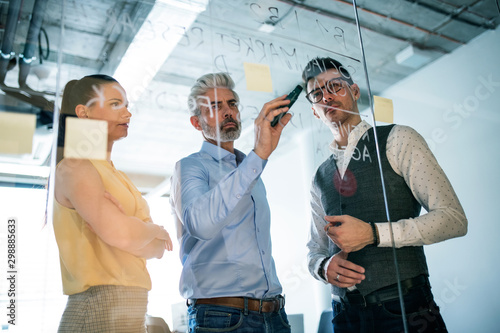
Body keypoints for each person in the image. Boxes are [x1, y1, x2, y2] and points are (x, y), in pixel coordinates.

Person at [303, 57, 467, 332]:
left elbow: (453, 219)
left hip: (404, 308)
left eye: (335, 86)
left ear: (354, 91)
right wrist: (323, 267)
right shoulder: (319, 175)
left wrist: (374, 233)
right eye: (317, 93)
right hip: (345, 317)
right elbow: (314, 249)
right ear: (315, 112)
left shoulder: (398, 138)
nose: (327, 96)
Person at [169, 72, 292, 332]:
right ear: (196, 122)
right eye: (215, 106)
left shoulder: (250, 169)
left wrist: (255, 159)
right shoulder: (189, 168)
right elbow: (201, 224)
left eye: (232, 104)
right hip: (222, 318)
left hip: (274, 316)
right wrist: (258, 155)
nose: (228, 112)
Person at [52, 74, 173, 332]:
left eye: (127, 106)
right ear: (83, 113)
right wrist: (154, 230)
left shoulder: (118, 176)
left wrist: (134, 233)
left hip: (131, 309)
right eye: (116, 104)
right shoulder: (75, 167)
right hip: (98, 309)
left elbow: (158, 250)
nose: (128, 114)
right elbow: (123, 235)